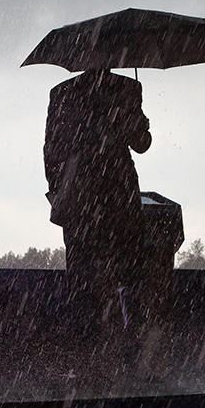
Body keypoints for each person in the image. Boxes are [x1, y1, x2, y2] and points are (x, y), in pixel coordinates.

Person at [43, 68, 152, 365]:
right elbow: (142, 144)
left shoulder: (62, 93)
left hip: (80, 197)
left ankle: (88, 353)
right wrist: (140, 124)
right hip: (119, 195)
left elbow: (51, 151)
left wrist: (58, 190)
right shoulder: (127, 88)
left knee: (82, 279)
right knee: (129, 277)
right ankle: (131, 350)